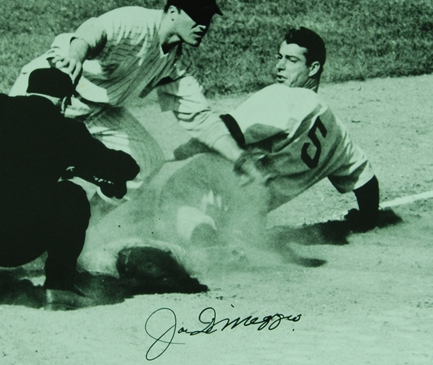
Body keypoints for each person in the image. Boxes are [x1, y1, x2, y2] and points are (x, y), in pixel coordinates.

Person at [9, 0, 247, 215]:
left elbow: (201, 119)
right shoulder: (137, 23)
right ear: (173, 12)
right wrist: (76, 54)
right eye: (197, 15)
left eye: (208, 16)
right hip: (48, 89)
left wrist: (241, 159)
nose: (203, 24)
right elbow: (94, 29)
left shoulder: (176, 62)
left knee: (145, 160)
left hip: (98, 110)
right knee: (20, 166)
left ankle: (87, 224)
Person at [0, 67, 140, 306]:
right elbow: (126, 169)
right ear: (64, 101)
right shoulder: (69, 131)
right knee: (71, 195)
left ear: (30, 90)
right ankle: (60, 288)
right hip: (20, 248)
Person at [157, 27, 382, 248]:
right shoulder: (337, 134)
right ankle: (227, 239)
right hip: (249, 210)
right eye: (279, 57)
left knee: (167, 201)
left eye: (292, 60)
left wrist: (174, 152)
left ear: (313, 68)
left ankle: (205, 245)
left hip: (210, 184)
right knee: (221, 219)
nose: (280, 66)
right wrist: (368, 218)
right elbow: (366, 180)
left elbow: (226, 129)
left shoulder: (284, 95)